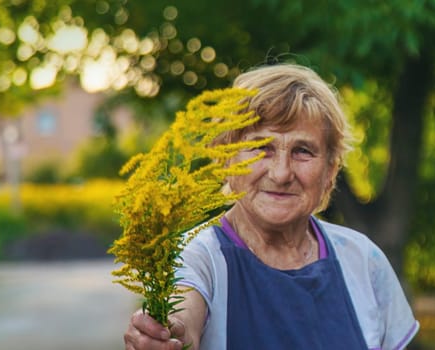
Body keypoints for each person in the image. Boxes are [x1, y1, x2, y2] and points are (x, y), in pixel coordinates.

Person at [123, 64, 419, 350]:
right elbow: (182, 318)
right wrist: (167, 335)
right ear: (225, 158)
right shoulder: (197, 258)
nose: (281, 173)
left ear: (330, 170)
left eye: (303, 151)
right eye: (261, 148)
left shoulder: (364, 260)